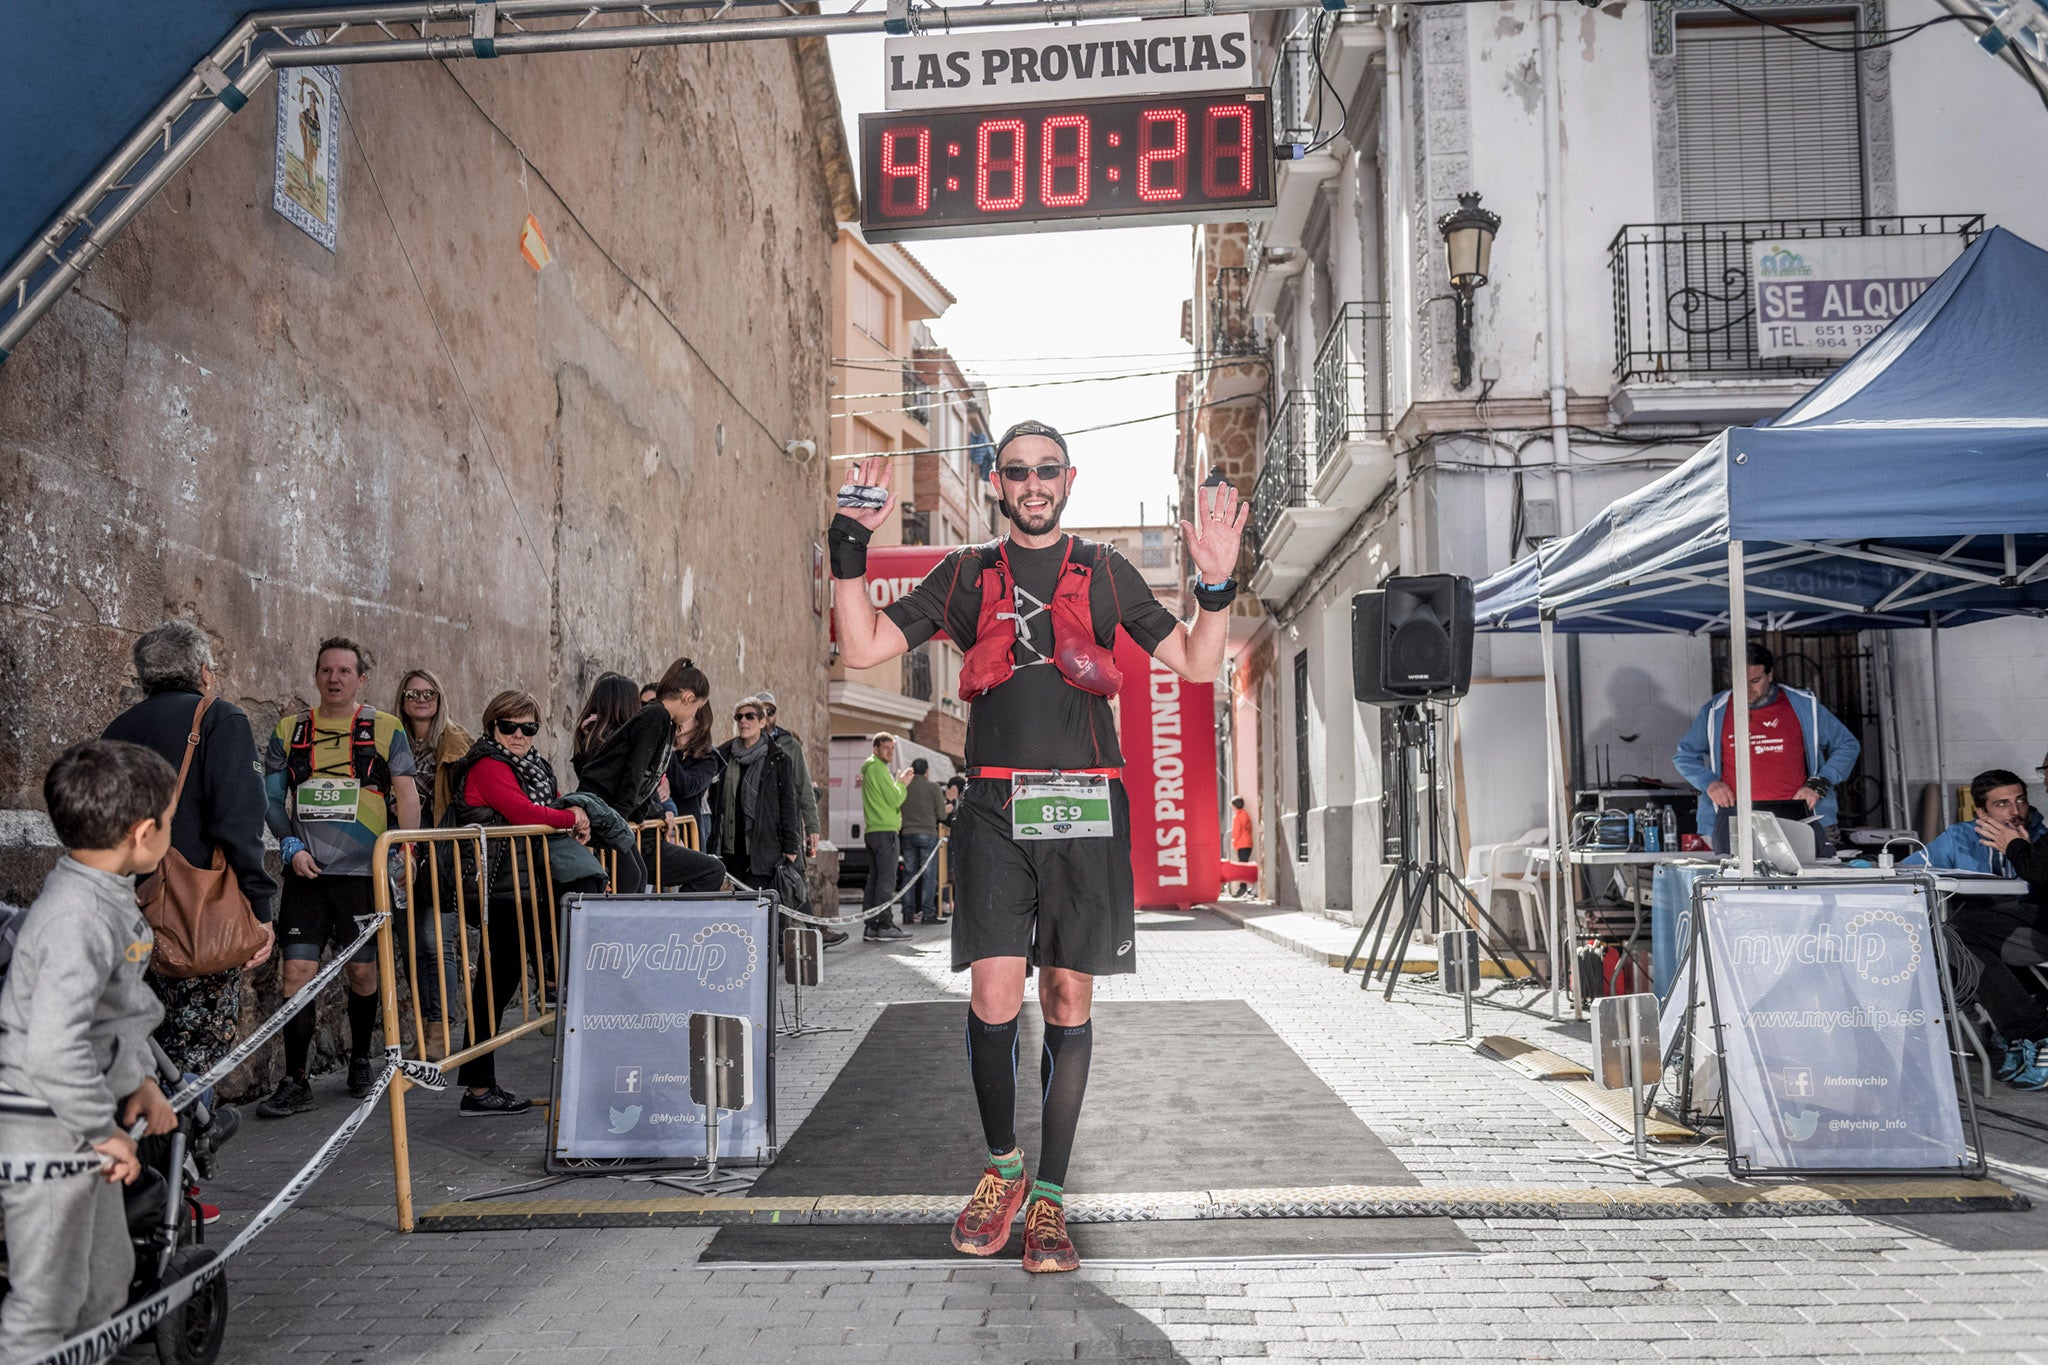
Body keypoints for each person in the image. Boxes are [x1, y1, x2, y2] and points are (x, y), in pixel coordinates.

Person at [829, 419, 1244, 1273]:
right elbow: (865, 647)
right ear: (997, 485)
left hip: (1085, 805)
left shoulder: (1106, 573)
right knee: (993, 993)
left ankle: (1051, 1200)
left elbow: (1200, 664)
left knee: (1065, 997)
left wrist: (1216, 581)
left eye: (1046, 469)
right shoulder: (965, 574)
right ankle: (1003, 1170)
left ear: (1069, 477)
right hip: (990, 805)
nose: (1032, 482)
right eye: (1016, 471)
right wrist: (846, 549)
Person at [0, 740, 180, 1357]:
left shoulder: (103, 895)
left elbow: (112, 1014)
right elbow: (52, 1047)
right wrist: (103, 1134)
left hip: (84, 1128)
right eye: (169, 822)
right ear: (143, 832)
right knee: (44, 1307)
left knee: (102, 1287)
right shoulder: (75, 918)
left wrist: (139, 1079)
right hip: (47, 1131)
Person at [102, 621, 278, 1093]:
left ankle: (150, 1151)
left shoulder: (116, 730)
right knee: (196, 1047)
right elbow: (239, 821)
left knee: (141, 1047)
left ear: (145, 678)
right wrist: (260, 909)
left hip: (121, 908)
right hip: (193, 913)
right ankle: (184, 1149)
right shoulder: (220, 719)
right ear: (203, 672)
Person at [257, 637, 420, 1119]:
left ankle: (360, 1059)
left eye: (344, 671)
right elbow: (270, 799)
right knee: (296, 973)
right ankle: (296, 1078)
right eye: (326, 670)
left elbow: (407, 796)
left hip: (361, 876)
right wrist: (288, 843)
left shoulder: (386, 728)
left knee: (363, 972)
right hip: (307, 873)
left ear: (361, 679)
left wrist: (406, 850)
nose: (334, 679)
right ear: (316, 675)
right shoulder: (289, 730)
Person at [438, 691, 611, 1115]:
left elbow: (542, 807)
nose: (519, 735)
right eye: (509, 726)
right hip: (501, 889)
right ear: (491, 725)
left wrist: (566, 822)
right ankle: (478, 1088)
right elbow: (522, 812)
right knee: (495, 986)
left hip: (526, 886)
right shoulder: (488, 764)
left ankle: (480, 1086)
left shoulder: (532, 765)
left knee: (501, 984)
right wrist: (572, 819)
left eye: (528, 727)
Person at [1672, 643, 1860, 852]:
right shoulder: (1715, 711)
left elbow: (1847, 745)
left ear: (1770, 675)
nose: (1747, 689)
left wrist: (1820, 784)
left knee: (1807, 881)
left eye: (1755, 681)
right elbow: (1684, 756)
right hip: (1735, 815)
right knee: (1736, 884)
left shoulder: (1803, 705)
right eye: (1739, 682)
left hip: (1799, 813)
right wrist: (1710, 784)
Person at [574, 660, 725, 893]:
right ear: (687, 697)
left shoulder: (665, 722)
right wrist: (623, 819)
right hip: (606, 809)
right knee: (633, 876)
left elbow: (650, 778)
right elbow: (635, 772)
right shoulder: (655, 717)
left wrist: (641, 813)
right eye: (696, 709)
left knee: (639, 873)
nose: (693, 715)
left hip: (619, 815)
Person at [394, 667, 471, 1048]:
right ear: (402, 701)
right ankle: (423, 1029)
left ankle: (441, 1027)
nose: (420, 700)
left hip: (439, 851)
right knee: (409, 941)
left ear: (439, 699)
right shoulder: (393, 739)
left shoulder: (454, 742)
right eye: (412, 694)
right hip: (399, 848)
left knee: (434, 939)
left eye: (428, 693)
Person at [708, 700, 806, 899]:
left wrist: (791, 846)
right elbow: (714, 800)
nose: (743, 721)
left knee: (762, 905)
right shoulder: (724, 754)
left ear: (762, 722)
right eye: (739, 717)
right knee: (741, 904)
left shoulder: (778, 759)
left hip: (764, 846)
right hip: (731, 846)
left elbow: (788, 805)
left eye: (750, 716)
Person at [1906, 769, 2046, 874]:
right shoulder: (1959, 837)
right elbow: (1909, 873)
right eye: (2002, 804)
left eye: (2021, 800)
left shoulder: (2043, 838)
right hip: (1972, 912)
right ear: (1981, 812)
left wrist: (2026, 853)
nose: (2015, 811)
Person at [858, 734, 913, 942]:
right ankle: (884, 924)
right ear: (875, 749)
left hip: (873, 830)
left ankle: (871, 926)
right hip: (885, 831)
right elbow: (895, 799)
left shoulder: (871, 768)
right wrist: (902, 783)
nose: (890, 751)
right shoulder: (879, 769)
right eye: (885, 748)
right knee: (886, 880)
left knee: (874, 879)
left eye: (892, 748)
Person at [756, 692, 822, 860]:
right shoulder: (746, 745)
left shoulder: (791, 746)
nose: (766, 716)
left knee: (790, 874)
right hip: (758, 820)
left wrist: (812, 826)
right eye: (761, 711)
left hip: (787, 820)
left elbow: (804, 786)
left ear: (776, 714)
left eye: (770, 711)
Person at [899, 758, 945, 925]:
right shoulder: (933, 788)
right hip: (928, 834)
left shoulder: (905, 787)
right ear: (927, 771)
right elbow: (941, 815)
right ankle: (928, 913)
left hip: (908, 833)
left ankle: (907, 914)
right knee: (929, 875)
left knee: (909, 875)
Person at [1229, 796, 1254, 897]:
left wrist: (1234, 842)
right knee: (1245, 864)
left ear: (1234, 806)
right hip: (1248, 842)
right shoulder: (1246, 815)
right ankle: (1245, 887)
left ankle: (1243, 887)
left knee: (1242, 866)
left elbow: (1236, 832)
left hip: (1241, 843)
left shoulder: (1237, 816)